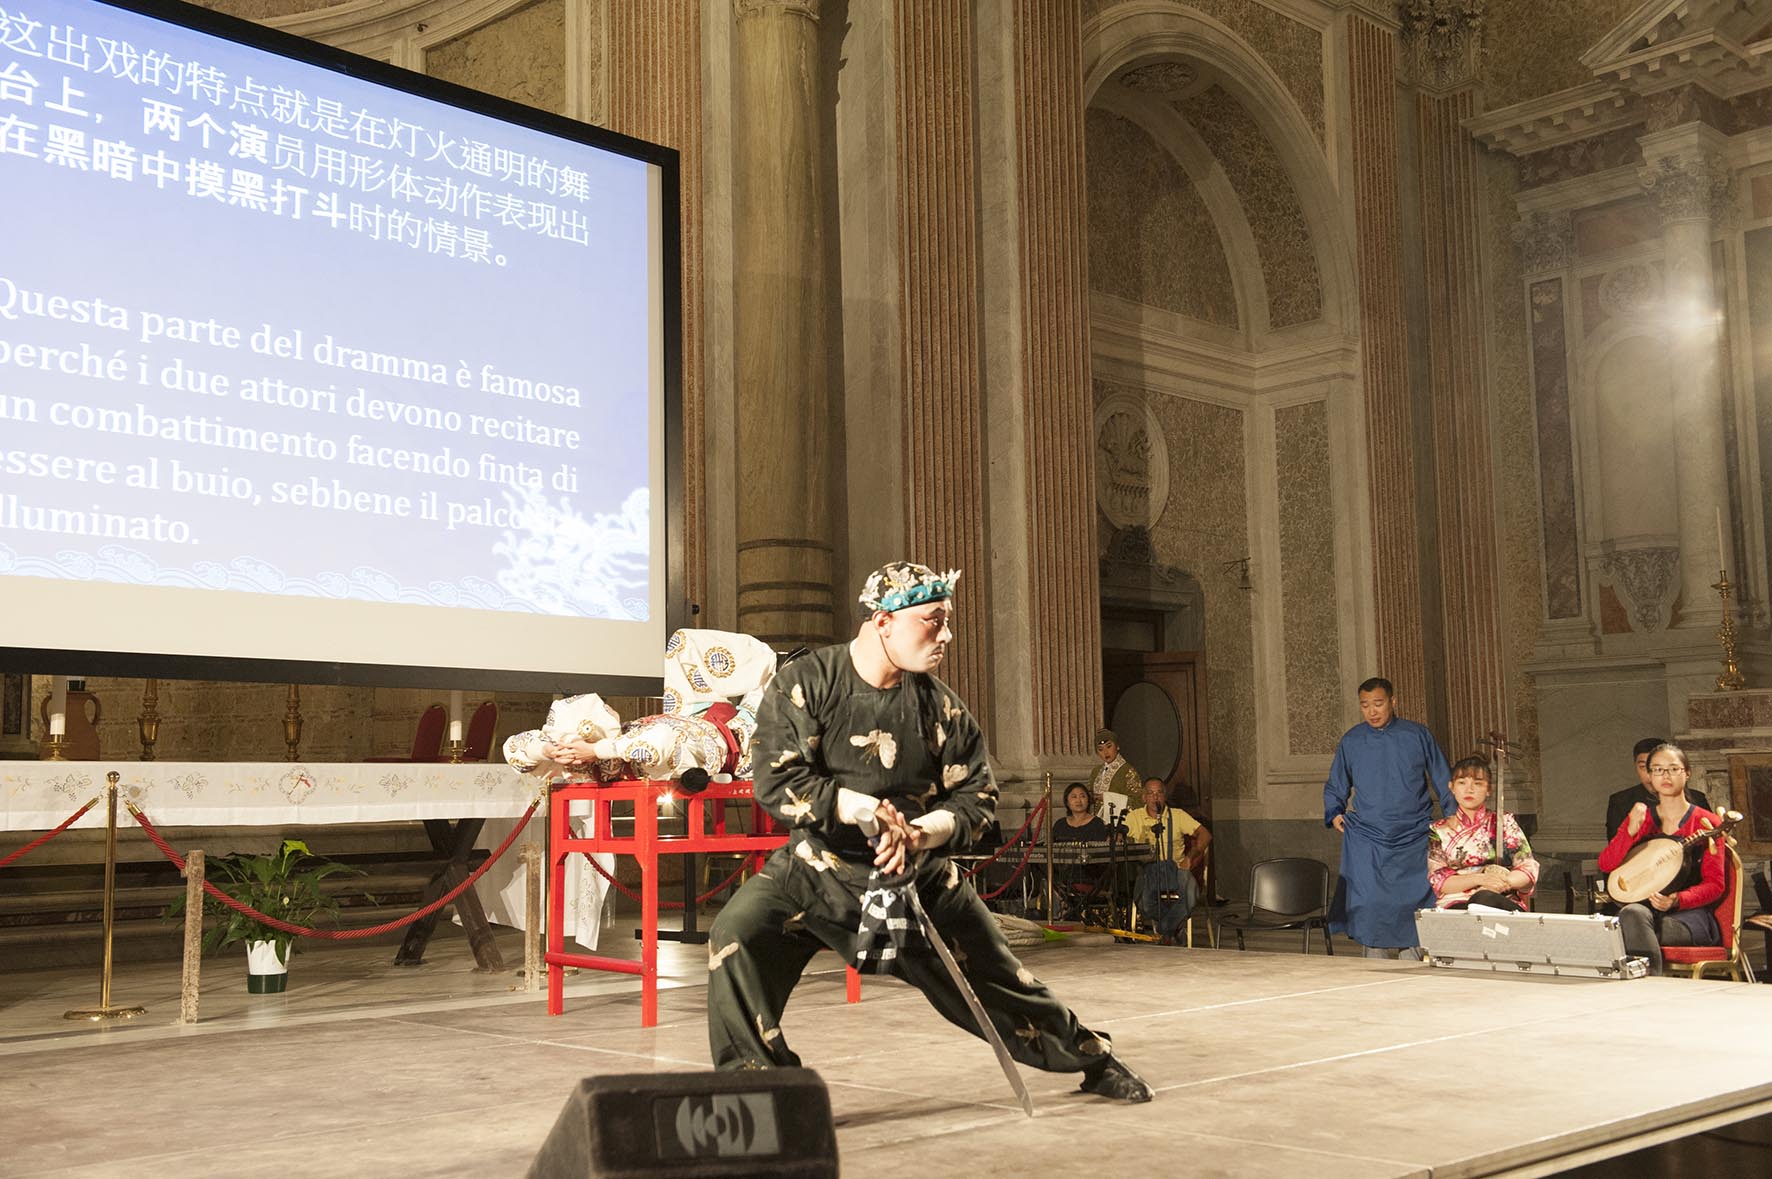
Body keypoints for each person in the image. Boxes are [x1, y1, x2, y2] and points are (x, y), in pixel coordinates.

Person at [705, 560, 1152, 1101]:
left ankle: (1094, 1058)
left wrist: (921, 833)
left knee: (1003, 984)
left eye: (947, 621)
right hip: (815, 871)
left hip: (916, 879)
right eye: (931, 620)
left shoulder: (940, 707)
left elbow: (978, 801)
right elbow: (777, 779)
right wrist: (860, 809)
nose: (945, 635)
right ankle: (761, 1090)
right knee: (739, 933)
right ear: (882, 621)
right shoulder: (806, 683)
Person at [1324, 676, 1455, 958]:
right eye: (1365, 705)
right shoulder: (1352, 740)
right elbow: (1337, 782)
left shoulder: (1417, 735)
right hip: (1369, 838)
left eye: (1379, 704)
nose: (1372, 711)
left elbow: (1444, 778)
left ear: (1393, 702)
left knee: (1413, 902)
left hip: (1415, 835)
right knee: (1370, 903)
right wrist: (1334, 811)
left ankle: (1415, 965)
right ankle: (1373, 969)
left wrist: (1454, 820)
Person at [1597, 742, 1724, 975]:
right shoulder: (1640, 817)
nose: (1665, 776)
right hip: (1643, 910)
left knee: (1631, 928)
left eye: (1673, 769)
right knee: (1632, 915)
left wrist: (1677, 900)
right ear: (1649, 775)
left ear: (1687, 773)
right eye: (1656, 769)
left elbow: (1715, 885)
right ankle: (1652, 986)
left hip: (1689, 917)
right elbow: (1606, 864)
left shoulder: (1707, 823)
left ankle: (1648, 987)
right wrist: (1630, 831)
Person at [1427, 755, 1538, 912]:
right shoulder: (1439, 830)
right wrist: (1480, 878)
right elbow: (1441, 881)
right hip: (1456, 903)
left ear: (1489, 789)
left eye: (1478, 783)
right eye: (1462, 782)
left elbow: (1527, 869)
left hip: (1500, 899)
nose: (1469, 789)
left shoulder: (1503, 822)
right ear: (1451, 787)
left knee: (1483, 899)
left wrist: (1499, 883)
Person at [1125, 777, 1208, 946]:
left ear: (1165, 796)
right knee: (1145, 903)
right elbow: (1120, 835)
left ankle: (1164, 929)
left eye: (1159, 793)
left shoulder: (1177, 815)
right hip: (1149, 870)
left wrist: (1189, 858)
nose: (1155, 797)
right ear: (1144, 797)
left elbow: (1205, 835)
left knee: (1191, 896)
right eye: (1150, 793)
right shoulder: (1134, 816)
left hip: (1177, 869)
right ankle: (1174, 929)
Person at [1604, 735, 1711, 844]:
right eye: (1643, 767)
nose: (1650, 773)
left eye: (1658, 768)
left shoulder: (1697, 798)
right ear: (1635, 766)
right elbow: (1614, 850)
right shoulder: (1621, 801)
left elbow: (1711, 844)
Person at [1089, 729, 1140, 818]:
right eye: (1100, 749)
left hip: (1120, 821)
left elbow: (1137, 802)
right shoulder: (1096, 772)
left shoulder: (1127, 771)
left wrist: (1107, 798)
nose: (1105, 752)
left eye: (1109, 747)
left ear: (1117, 746)